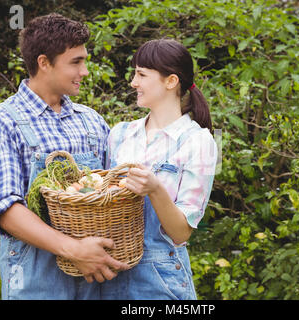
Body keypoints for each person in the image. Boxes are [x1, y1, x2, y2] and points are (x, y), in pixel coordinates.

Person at [0, 13, 129, 300]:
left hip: (96, 275)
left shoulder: (92, 122)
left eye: (84, 61)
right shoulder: (2, 122)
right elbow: (4, 209)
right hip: (36, 276)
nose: (84, 71)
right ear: (44, 62)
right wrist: (73, 250)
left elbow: (113, 192)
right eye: (76, 62)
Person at [101, 39, 218, 300]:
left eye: (141, 74)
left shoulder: (198, 141)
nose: (133, 82)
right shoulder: (120, 134)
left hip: (161, 281)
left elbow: (180, 233)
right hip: (109, 275)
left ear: (171, 81)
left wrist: (155, 189)